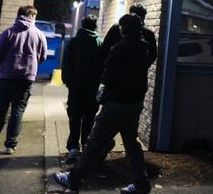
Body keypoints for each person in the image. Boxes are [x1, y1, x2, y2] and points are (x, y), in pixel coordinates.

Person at [55, 14, 155, 194]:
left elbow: (110, 77)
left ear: (123, 29)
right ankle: (141, 184)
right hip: (135, 103)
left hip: (117, 103)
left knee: (95, 141)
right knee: (132, 145)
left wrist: (103, 92)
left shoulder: (120, 49)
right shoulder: (144, 48)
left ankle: (74, 178)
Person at [0, 5, 48, 154]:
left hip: (6, 76)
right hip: (25, 78)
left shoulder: (8, 33)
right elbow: (43, 56)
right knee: (17, 110)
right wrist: (31, 66)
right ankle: (10, 145)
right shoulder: (39, 34)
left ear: (19, 15)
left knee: (1, 108)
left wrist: (5, 65)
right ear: (32, 16)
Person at [61, 14, 103, 161]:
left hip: (75, 88)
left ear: (82, 26)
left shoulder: (73, 43)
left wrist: (67, 81)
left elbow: (65, 64)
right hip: (92, 88)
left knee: (74, 117)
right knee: (89, 117)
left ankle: (73, 147)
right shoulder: (99, 43)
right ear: (95, 26)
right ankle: (86, 144)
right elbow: (103, 65)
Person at [100, 3, 157, 67]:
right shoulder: (148, 33)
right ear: (143, 17)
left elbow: (105, 47)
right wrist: (142, 66)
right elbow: (153, 55)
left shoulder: (117, 28)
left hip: (117, 70)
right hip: (138, 74)